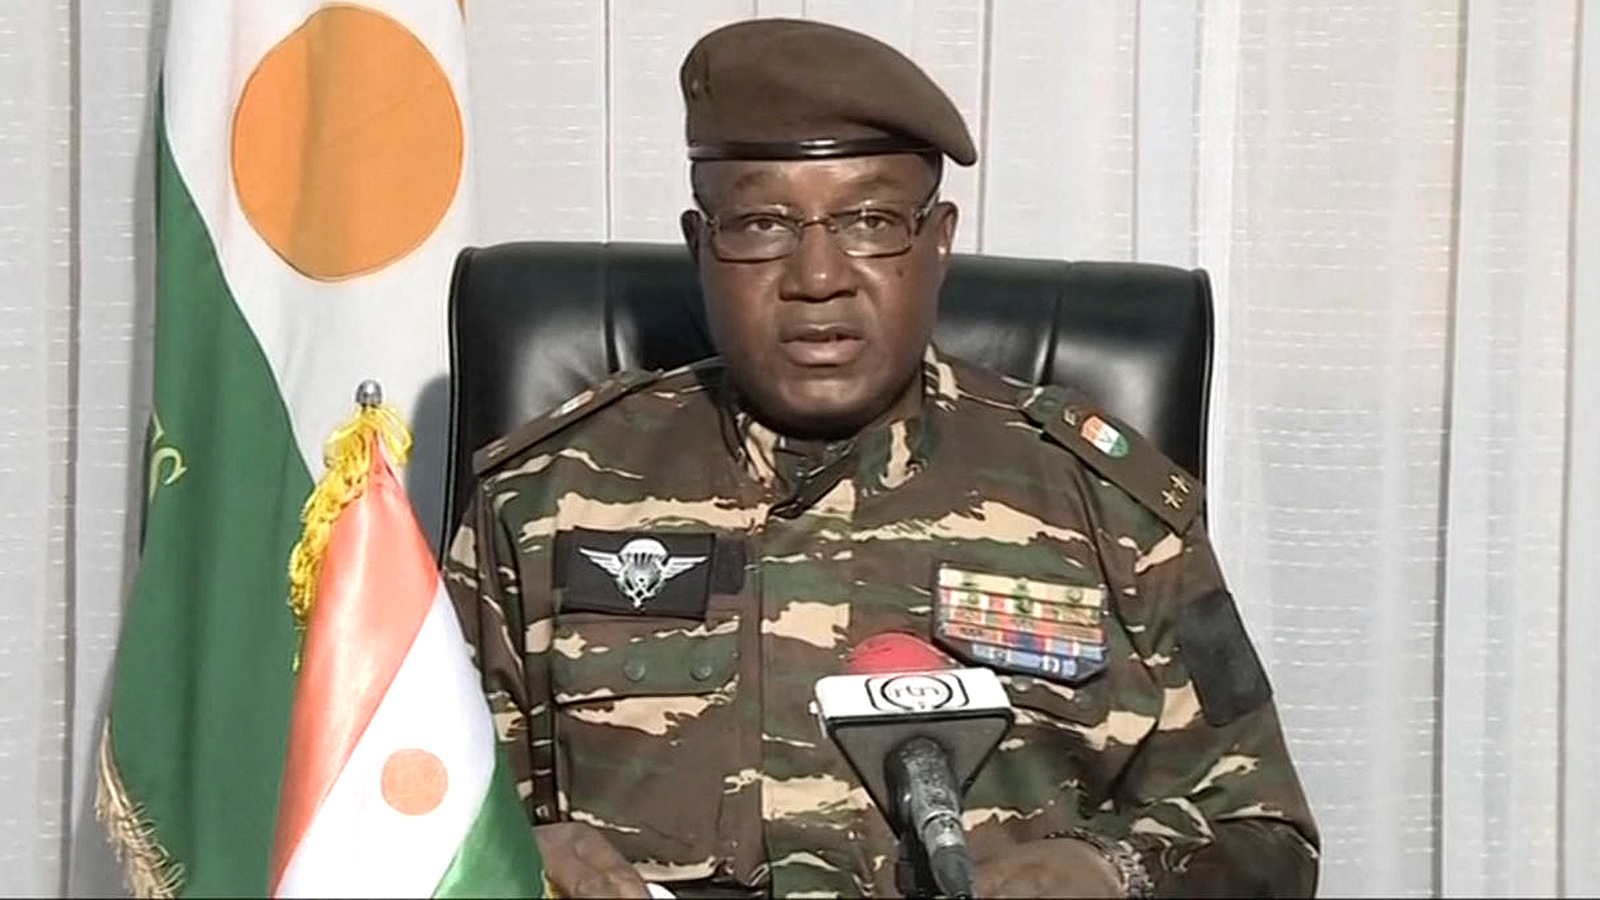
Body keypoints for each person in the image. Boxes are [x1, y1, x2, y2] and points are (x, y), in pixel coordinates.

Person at [444, 17, 1318, 899]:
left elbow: (1266, 837)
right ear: (700, 246)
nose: (817, 277)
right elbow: (407, 808)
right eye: (762, 223)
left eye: (869, 220)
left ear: (939, 239)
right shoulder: (544, 501)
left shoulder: (1110, 511)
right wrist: (512, 860)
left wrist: (1110, 870)